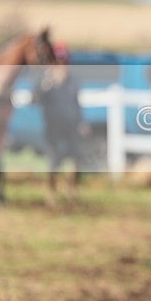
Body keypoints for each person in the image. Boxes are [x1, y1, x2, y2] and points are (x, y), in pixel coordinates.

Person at [33, 43, 90, 204]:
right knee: (54, 160)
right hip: (53, 127)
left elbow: (76, 104)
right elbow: (36, 98)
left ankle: (71, 189)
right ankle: (51, 192)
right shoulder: (46, 81)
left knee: (75, 157)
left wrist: (81, 123)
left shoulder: (73, 82)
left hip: (71, 125)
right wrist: (48, 83)